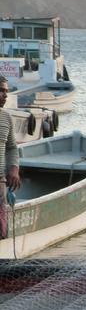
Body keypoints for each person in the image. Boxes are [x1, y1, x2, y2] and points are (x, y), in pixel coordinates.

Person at [0, 76, 21, 241]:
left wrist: (13, 168)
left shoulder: (6, 118)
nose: (5, 95)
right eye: (1, 91)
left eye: (6, 91)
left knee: (1, 231)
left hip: (0, 182)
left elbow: (12, 147)